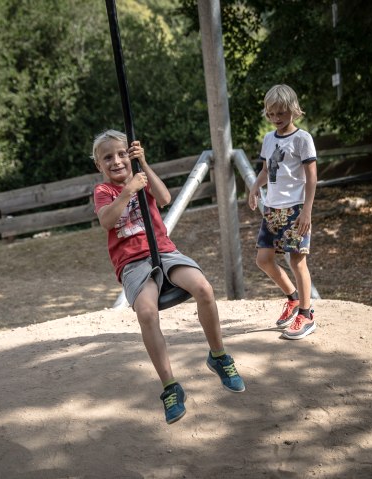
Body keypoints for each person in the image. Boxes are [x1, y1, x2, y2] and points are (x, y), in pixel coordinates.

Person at [92, 129, 245, 425]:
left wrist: (144, 167)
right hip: (133, 263)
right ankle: (170, 387)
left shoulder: (142, 177)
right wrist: (127, 190)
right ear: (99, 165)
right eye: (108, 157)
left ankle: (219, 356)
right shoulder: (104, 192)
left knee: (203, 287)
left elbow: (164, 198)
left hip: (163, 251)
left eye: (122, 154)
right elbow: (107, 221)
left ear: (131, 155)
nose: (116, 161)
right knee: (147, 312)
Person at [248, 84, 318, 340]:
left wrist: (307, 211)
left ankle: (306, 314)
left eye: (282, 113)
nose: (277, 118)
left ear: (293, 111)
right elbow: (268, 170)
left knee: (297, 260)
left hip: (296, 208)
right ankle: (292, 297)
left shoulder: (302, 139)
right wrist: (255, 187)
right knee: (263, 259)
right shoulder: (269, 139)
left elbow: (312, 177)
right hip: (272, 209)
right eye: (272, 114)